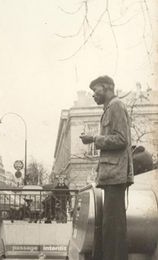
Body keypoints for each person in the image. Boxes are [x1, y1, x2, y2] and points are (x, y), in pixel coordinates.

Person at [80, 75, 133, 260]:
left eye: (96, 90)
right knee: (110, 229)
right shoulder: (110, 108)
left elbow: (121, 139)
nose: (93, 94)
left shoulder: (116, 106)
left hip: (115, 176)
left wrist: (94, 139)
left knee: (114, 231)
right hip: (112, 176)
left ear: (108, 87)